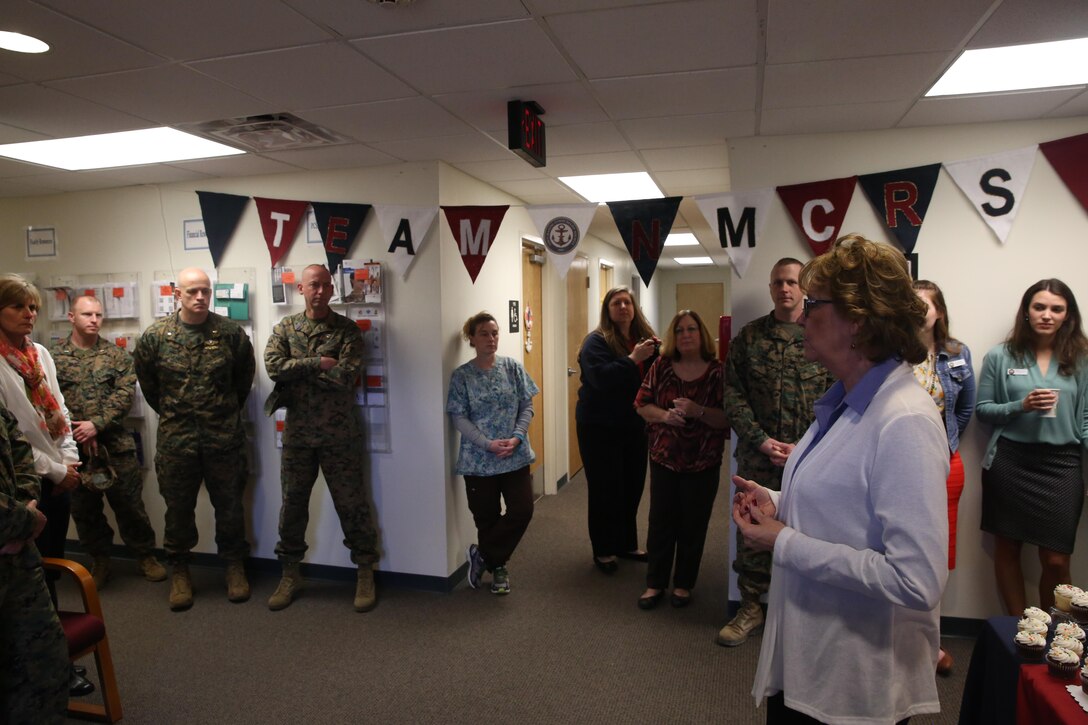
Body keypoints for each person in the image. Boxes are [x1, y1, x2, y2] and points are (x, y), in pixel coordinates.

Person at [733, 235, 949, 723]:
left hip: (856, 686)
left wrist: (784, 543)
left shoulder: (903, 419)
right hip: (813, 657)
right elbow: (844, 507)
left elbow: (916, 580)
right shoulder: (843, 402)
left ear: (858, 320)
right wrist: (775, 500)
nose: (803, 316)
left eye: (815, 304)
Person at [718, 258, 832, 647]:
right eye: (778, 282)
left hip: (813, 459)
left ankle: (803, 615)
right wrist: (761, 440)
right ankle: (750, 607)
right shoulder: (749, 339)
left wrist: (804, 446)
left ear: (804, 288)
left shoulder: (822, 336)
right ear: (770, 288)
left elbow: (839, 398)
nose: (785, 288)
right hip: (757, 458)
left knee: (811, 530)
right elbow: (732, 396)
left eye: (792, 282)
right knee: (752, 528)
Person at [133, 267, 255, 611]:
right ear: (177, 294)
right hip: (177, 442)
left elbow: (242, 381)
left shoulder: (230, 333)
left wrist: (219, 414)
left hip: (224, 440)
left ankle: (234, 566)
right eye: (192, 292)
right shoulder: (156, 337)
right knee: (178, 510)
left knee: (230, 507)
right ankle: (181, 571)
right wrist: (181, 414)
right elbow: (150, 387)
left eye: (205, 290)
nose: (200, 297)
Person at [264, 264, 381, 612]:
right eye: (312, 285)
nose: (319, 291)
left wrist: (298, 369)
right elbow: (273, 368)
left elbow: (347, 377)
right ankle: (289, 572)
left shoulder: (346, 330)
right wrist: (318, 364)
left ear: (333, 290)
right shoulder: (286, 327)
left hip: (339, 434)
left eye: (325, 285)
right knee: (293, 505)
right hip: (298, 435)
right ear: (301, 289)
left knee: (352, 503)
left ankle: (364, 570)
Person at [0, 274, 93, 697]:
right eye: (18, 306)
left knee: (51, 571)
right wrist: (54, 472)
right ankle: (37, 669)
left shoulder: (39, 354)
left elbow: (59, 411)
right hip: (23, 484)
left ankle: (57, 662)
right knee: (29, 580)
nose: (28, 314)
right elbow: (13, 435)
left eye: (32, 307)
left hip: (59, 475)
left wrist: (69, 463)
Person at [975, 278, 1088, 615]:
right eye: (1039, 307)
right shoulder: (1000, 355)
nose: (1047, 315)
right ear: (1026, 311)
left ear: (1068, 316)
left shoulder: (1081, 358)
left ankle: (1054, 632)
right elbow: (983, 411)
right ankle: (1020, 632)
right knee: (1007, 549)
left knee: (1056, 559)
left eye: (1056, 309)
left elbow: (1085, 419)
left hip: (1062, 465)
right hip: (1010, 460)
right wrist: (1019, 406)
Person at [51, 295, 167, 589]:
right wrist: (75, 430)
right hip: (73, 448)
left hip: (114, 445)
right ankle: (100, 560)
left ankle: (145, 556)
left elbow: (125, 395)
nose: (94, 320)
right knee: (84, 509)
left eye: (98, 315)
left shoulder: (117, 356)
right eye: (87, 314)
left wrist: (97, 424)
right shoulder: (53, 358)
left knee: (130, 505)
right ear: (71, 317)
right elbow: (49, 401)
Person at [634, 310, 728, 610]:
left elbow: (727, 419)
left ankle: (684, 583)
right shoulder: (661, 366)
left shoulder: (717, 372)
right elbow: (641, 405)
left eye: (691, 329)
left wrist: (697, 410)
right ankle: (655, 583)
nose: (686, 335)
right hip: (664, 458)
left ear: (701, 334)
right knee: (661, 521)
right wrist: (665, 416)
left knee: (693, 524)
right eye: (679, 330)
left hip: (704, 462)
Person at [446, 312, 537, 595]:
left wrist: (517, 436)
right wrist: (487, 443)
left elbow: (527, 406)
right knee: (487, 518)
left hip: (514, 456)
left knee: (522, 510)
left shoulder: (512, 368)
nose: (491, 338)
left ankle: (482, 556)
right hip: (478, 461)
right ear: (471, 338)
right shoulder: (462, 376)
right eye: (484, 333)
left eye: (495, 333)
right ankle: (499, 569)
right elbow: (458, 418)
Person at [912, 280, 975, 676]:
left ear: (938, 311)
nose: (918, 311)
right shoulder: (892, 351)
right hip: (903, 463)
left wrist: (945, 441)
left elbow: (965, 408)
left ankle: (932, 642)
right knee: (902, 548)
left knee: (941, 555)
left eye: (925, 305)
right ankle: (907, 636)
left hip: (946, 464)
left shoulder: (956, 353)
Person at [576, 287, 658, 573]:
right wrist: (633, 358)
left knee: (631, 485)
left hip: (634, 423)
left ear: (634, 307)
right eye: (616, 302)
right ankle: (604, 549)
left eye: (627, 302)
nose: (623, 306)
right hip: (598, 425)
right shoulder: (596, 342)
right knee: (604, 488)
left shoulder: (642, 339)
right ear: (608, 309)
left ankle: (626, 543)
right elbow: (600, 378)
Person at [0, 401, 69, 724]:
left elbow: (18, 445)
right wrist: (17, 521)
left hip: (18, 561)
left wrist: (26, 509)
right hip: (12, 537)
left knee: (43, 666)